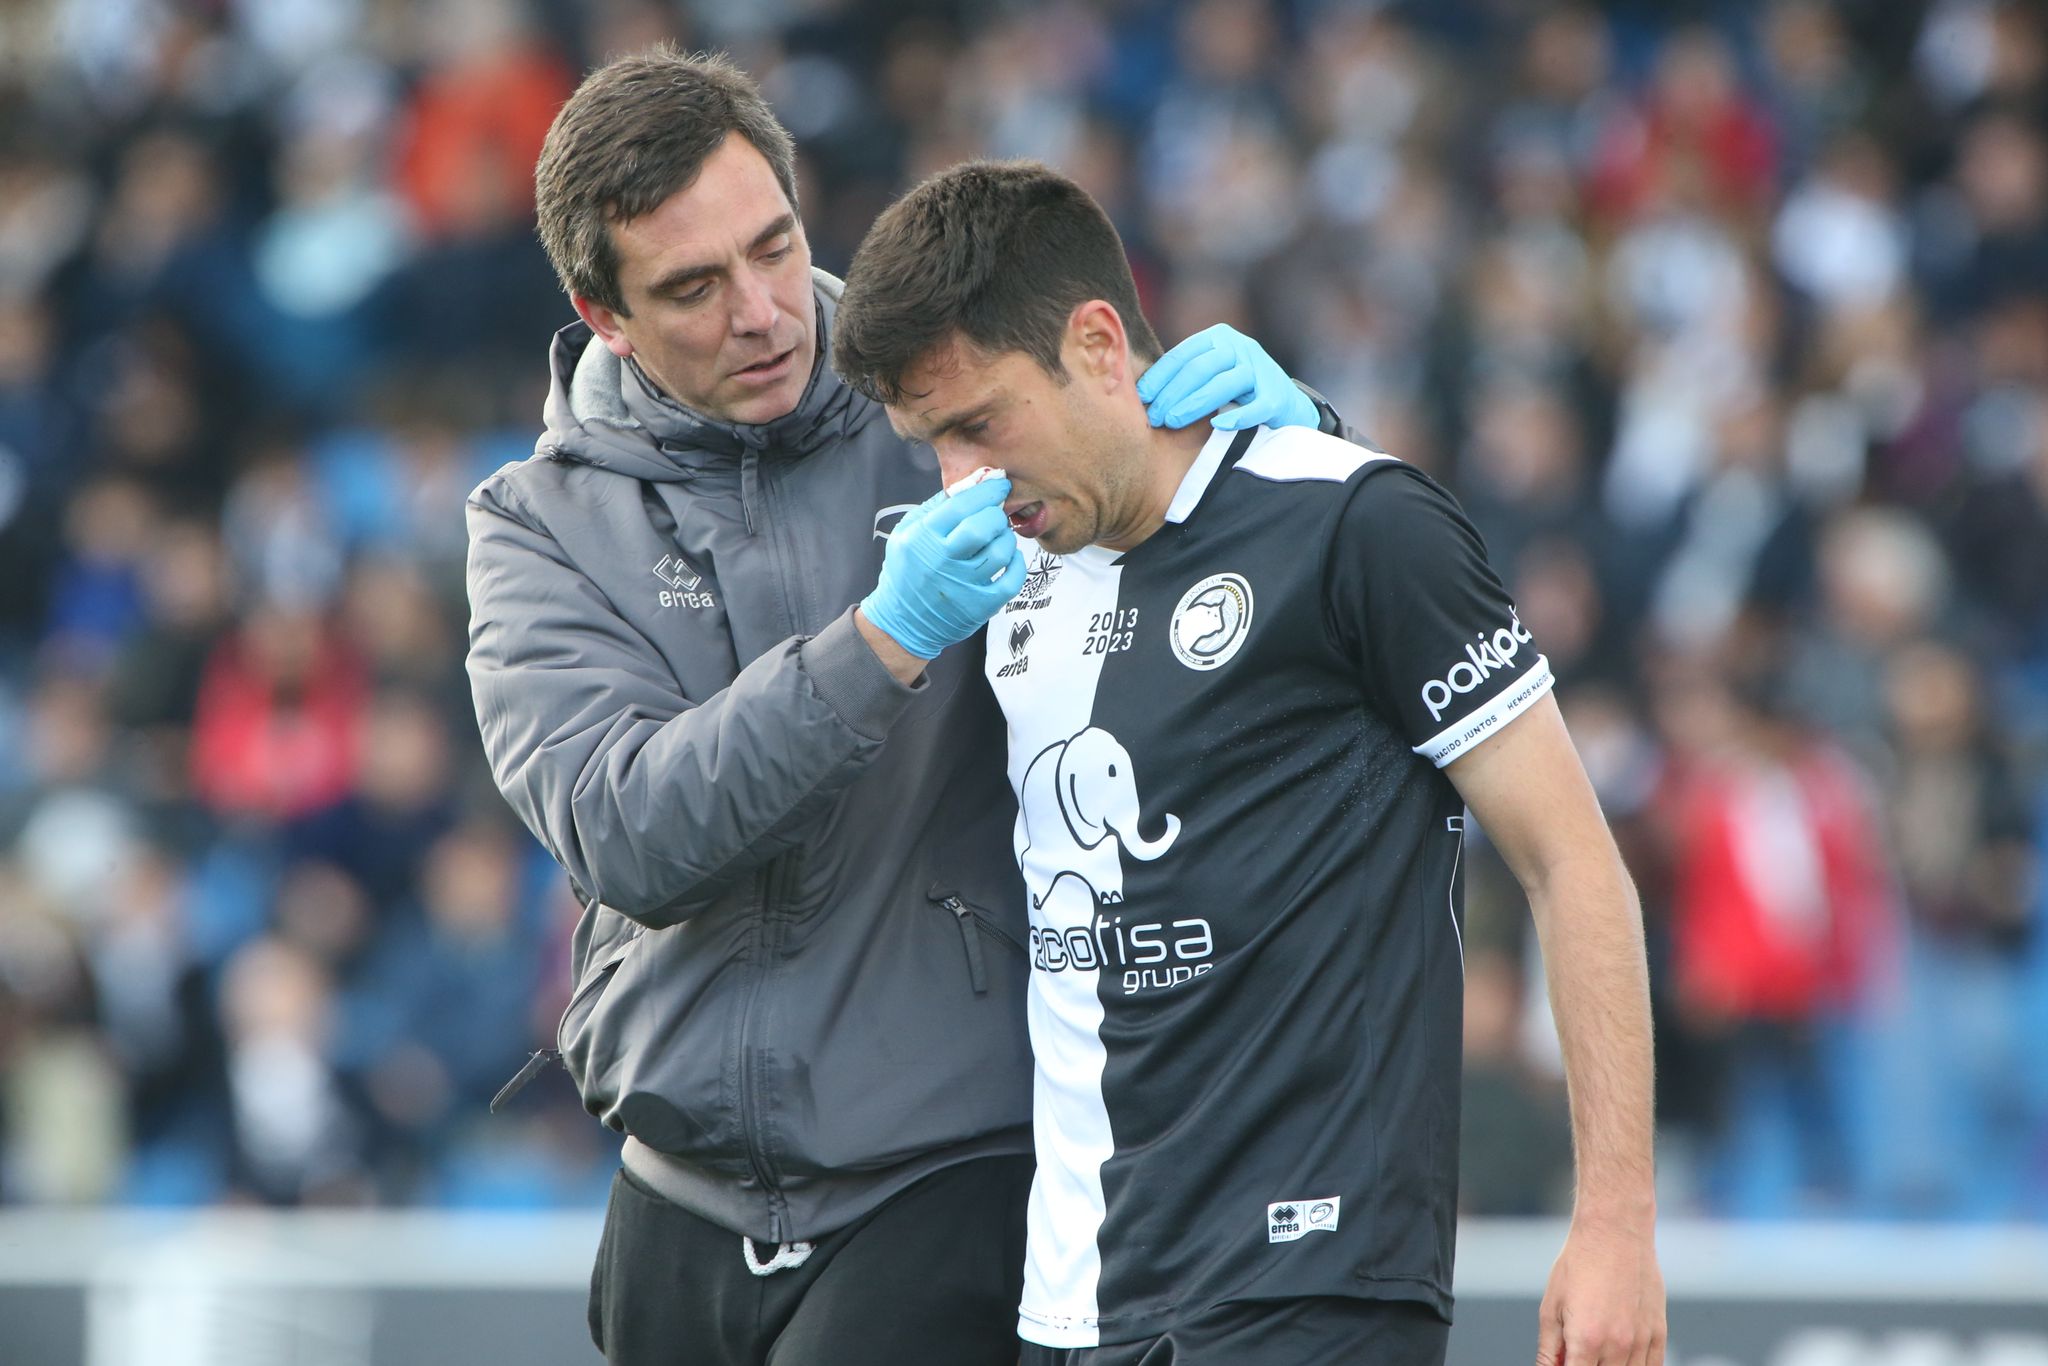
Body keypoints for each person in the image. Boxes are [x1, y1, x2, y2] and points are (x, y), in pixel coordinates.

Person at [463, 46, 1337, 1366]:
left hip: (946, 1176)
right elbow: (628, 832)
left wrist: (1295, 450)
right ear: (605, 315)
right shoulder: (535, 524)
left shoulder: (948, 395)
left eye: (775, 245)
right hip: (668, 1203)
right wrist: (884, 638)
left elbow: (1217, 595)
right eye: (695, 286)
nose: (762, 310)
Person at [832, 160, 1668, 1366]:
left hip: (1311, 1278)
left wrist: (1613, 1222)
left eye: (979, 422)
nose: (963, 479)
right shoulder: (995, 577)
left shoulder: (1352, 521)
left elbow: (1570, 859)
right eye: (931, 443)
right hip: (1072, 1300)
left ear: (1098, 343)